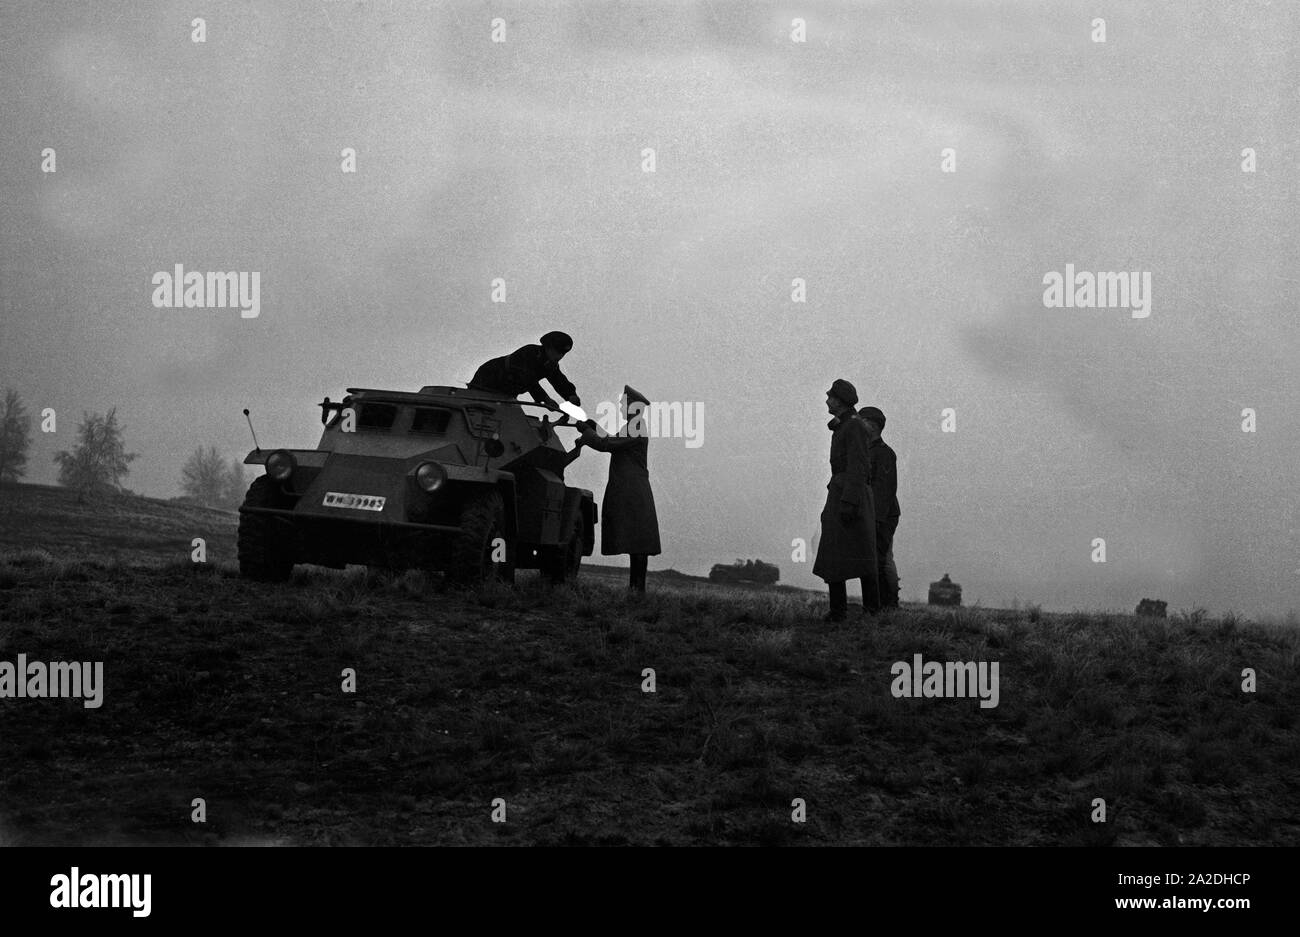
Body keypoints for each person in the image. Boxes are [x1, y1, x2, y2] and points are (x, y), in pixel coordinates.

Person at [575, 386, 661, 593]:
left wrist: (588, 434)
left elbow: (608, 444)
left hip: (632, 491)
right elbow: (612, 440)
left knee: (639, 543)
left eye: (624, 403)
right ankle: (636, 590)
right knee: (638, 542)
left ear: (633, 406)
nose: (621, 406)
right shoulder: (634, 425)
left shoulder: (636, 426)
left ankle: (637, 590)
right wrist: (593, 427)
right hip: (632, 490)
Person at [812, 379, 879, 621]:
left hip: (852, 493)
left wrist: (850, 501)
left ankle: (870, 610)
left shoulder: (854, 427)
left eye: (830, 396)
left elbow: (858, 465)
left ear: (840, 401)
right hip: (844, 491)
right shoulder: (846, 426)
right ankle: (838, 610)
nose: (827, 400)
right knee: (835, 551)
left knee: (863, 556)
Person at [468, 331, 581, 410]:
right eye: (557, 352)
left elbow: (559, 381)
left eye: (562, 354)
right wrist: (545, 399)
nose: (559, 356)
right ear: (548, 347)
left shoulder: (551, 365)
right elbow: (527, 378)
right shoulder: (529, 352)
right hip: (489, 378)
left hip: (507, 392)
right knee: (476, 406)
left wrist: (571, 395)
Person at [859, 406, 901, 610]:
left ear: (873, 426)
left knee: (882, 559)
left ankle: (890, 603)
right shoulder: (867, 451)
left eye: (862, 421)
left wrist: (875, 519)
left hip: (882, 514)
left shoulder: (884, 453)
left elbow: (884, 489)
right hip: (874, 513)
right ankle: (882, 603)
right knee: (877, 557)